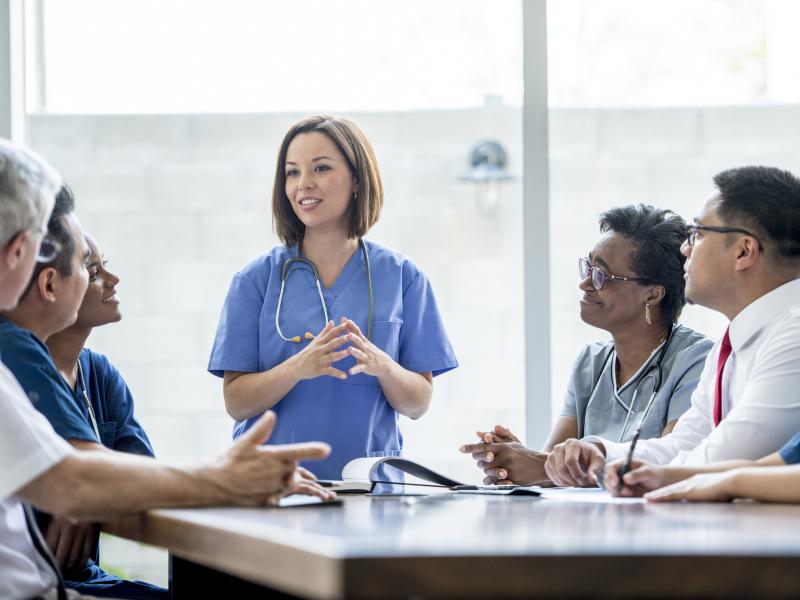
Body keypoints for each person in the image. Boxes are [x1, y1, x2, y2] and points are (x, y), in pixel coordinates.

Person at [0, 137, 332, 600]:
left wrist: (88, 489)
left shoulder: (93, 373)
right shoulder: (9, 345)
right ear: (19, 254)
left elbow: (86, 477)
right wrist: (228, 477)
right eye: (86, 265)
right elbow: (73, 480)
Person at [209, 115, 458, 480]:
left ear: (357, 178)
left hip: (369, 488)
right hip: (273, 487)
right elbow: (237, 402)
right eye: (292, 173)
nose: (303, 184)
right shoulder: (255, 280)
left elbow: (418, 403)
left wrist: (382, 365)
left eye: (320, 168)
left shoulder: (404, 277)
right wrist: (298, 367)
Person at [546, 166, 800, 487]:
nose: (685, 249)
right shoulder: (733, 343)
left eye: (698, 233)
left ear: (744, 251)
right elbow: (686, 443)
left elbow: (727, 456)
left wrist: (636, 473)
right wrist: (601, 452)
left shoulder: (793, 336)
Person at [459, 205, 712, 486]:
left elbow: (673, 464)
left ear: (652, 294)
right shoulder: (591, 361)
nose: (584, 283)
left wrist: (538, 466)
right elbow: (550, 467)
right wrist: (515, 461)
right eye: (588, 267)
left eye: (601, 276)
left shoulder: (697, 361)